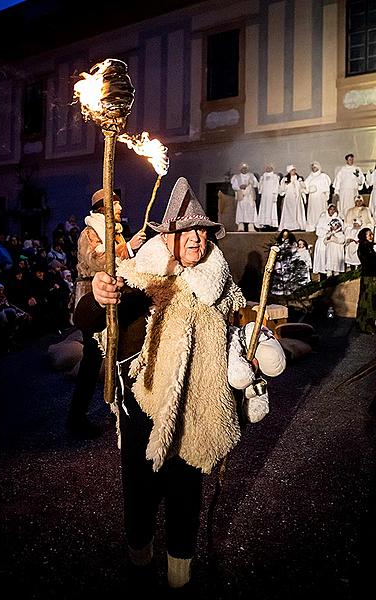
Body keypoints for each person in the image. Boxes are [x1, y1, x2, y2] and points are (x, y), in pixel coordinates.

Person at [74, 177, 249, 591]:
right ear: (167, 235)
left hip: (196, 413)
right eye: (186, 230)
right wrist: (98, 298)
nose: (196, 238)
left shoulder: (218, 285)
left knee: (186, 497)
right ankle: (139, 567)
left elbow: (238, 329)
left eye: (202, 230)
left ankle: (179, 577)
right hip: (143, 415)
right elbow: (88, 319)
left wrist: (252, 352)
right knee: (140, 495)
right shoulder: (141, 278)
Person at [67, 188, 146, 439]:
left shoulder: (116, 232)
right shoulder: (90, 232)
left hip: (115, 300)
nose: (121, 207)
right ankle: (76, 418)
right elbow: (99, 262)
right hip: (93, 304)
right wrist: (129, 248)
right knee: (91, 360)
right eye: (116, 203)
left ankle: (117, 407)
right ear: (103, 208)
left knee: (118, 353)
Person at [312, 204, 341, 279]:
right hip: (322, 241)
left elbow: (341, 229)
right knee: (322, 260)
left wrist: (333, 233)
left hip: (333, 242)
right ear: (328, 210)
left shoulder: (338, 219)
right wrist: (327, 232)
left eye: (333, 209)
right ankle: (323, 278)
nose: (332, 211)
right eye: (330, 209)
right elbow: (318, 231)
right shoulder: (322, 218)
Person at [356, 227, 376, 335]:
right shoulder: (364, 248)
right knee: (368, 302)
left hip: (371, 277)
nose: (371, 236)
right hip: (369, 278)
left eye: (372, 234)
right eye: (369, 235)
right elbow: (370, 262)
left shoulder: (369, 247)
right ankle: (366, 325)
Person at [333, 153, 365, 220]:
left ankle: (354, 219)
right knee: (344, 205)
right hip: (344, 191)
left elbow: (360, 181)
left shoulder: (357, 169)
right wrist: (336, 191)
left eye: (352, 159)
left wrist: (357, 176)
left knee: (353, 205)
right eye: (350, 159)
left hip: (353, 191)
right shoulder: (342, 170)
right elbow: (338, 180)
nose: (351, 161)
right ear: (346, 161)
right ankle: (344, 218)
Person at [304, 161, 331, 232]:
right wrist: (308, 190)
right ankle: (312, 226)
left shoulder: (323, 176)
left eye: (315, 167)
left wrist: (326, 195)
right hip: (312, 198)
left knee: (320, 211)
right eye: (312, 167)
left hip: (320, 198)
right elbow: (305, 187)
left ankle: (321, 225)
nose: (313, 168)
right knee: (312, 212)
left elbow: (326, 187)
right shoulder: (309, 177)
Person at [231, 162, 259, 231]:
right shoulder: (236, 177)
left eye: (245, 168)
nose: (244, 169)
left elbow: (256, 184)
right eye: (243, 168)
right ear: (240, 169)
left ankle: (251, 226)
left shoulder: (251, 176)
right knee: (241, 210)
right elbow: (234, 186)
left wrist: (251, 183)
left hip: (250, 196)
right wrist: (239, 187)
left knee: (251, 210)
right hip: (241, 196)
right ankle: (241, 226)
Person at [278, 165, 306, 232]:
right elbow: (282, 190)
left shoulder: (298, 179)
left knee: (297, 212)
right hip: (289, 199)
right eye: (292, 170)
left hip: (297, 199)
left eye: (294, 170)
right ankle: (288, 226)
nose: (293, 171)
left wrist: (300, 183)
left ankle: (298, 225)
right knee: (289, 212)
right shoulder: (285, 179)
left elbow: (303, 188)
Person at [255, 164, 279, 230]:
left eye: (269, 167)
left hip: (271, 195)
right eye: (267, 167)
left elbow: (276, 186)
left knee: (271, 208)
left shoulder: (274, 176)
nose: (268, 169)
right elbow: (260, 186)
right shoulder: (263, 176)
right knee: (264, 208)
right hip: (264, 195)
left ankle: (271, 223)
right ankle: (263, 223)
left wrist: (275, 195)